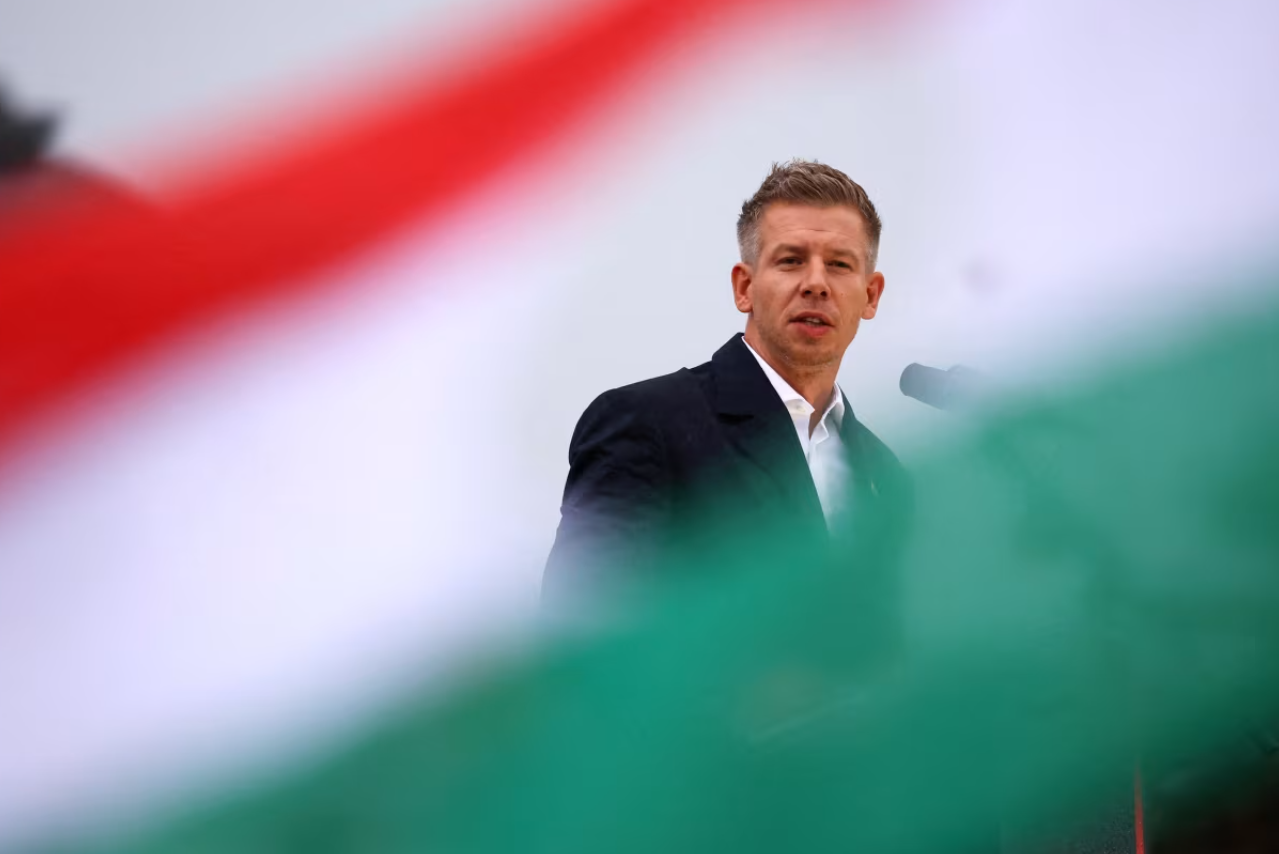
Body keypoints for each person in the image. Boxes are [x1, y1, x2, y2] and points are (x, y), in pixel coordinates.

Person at [543, 159, 911, 607]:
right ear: (744, 287)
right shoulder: (645, 423)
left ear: (870, 295)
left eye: (838, 264)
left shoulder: (885, 474)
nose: (816, 284)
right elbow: (582, 620)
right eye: (791, 261)